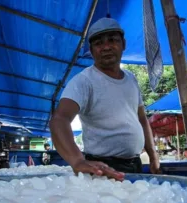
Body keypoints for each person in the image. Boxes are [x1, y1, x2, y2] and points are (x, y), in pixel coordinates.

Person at [49, 17, 160, 181]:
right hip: (102, 168)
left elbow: (142, 119)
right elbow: (59, 120)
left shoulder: (131, 79)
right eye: (98, 43)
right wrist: (78, 160)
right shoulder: (84, 81)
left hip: (135, 163)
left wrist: (153, 155)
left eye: (112, 40)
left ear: (123, 44)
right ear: (92, 51)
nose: (106, 47)